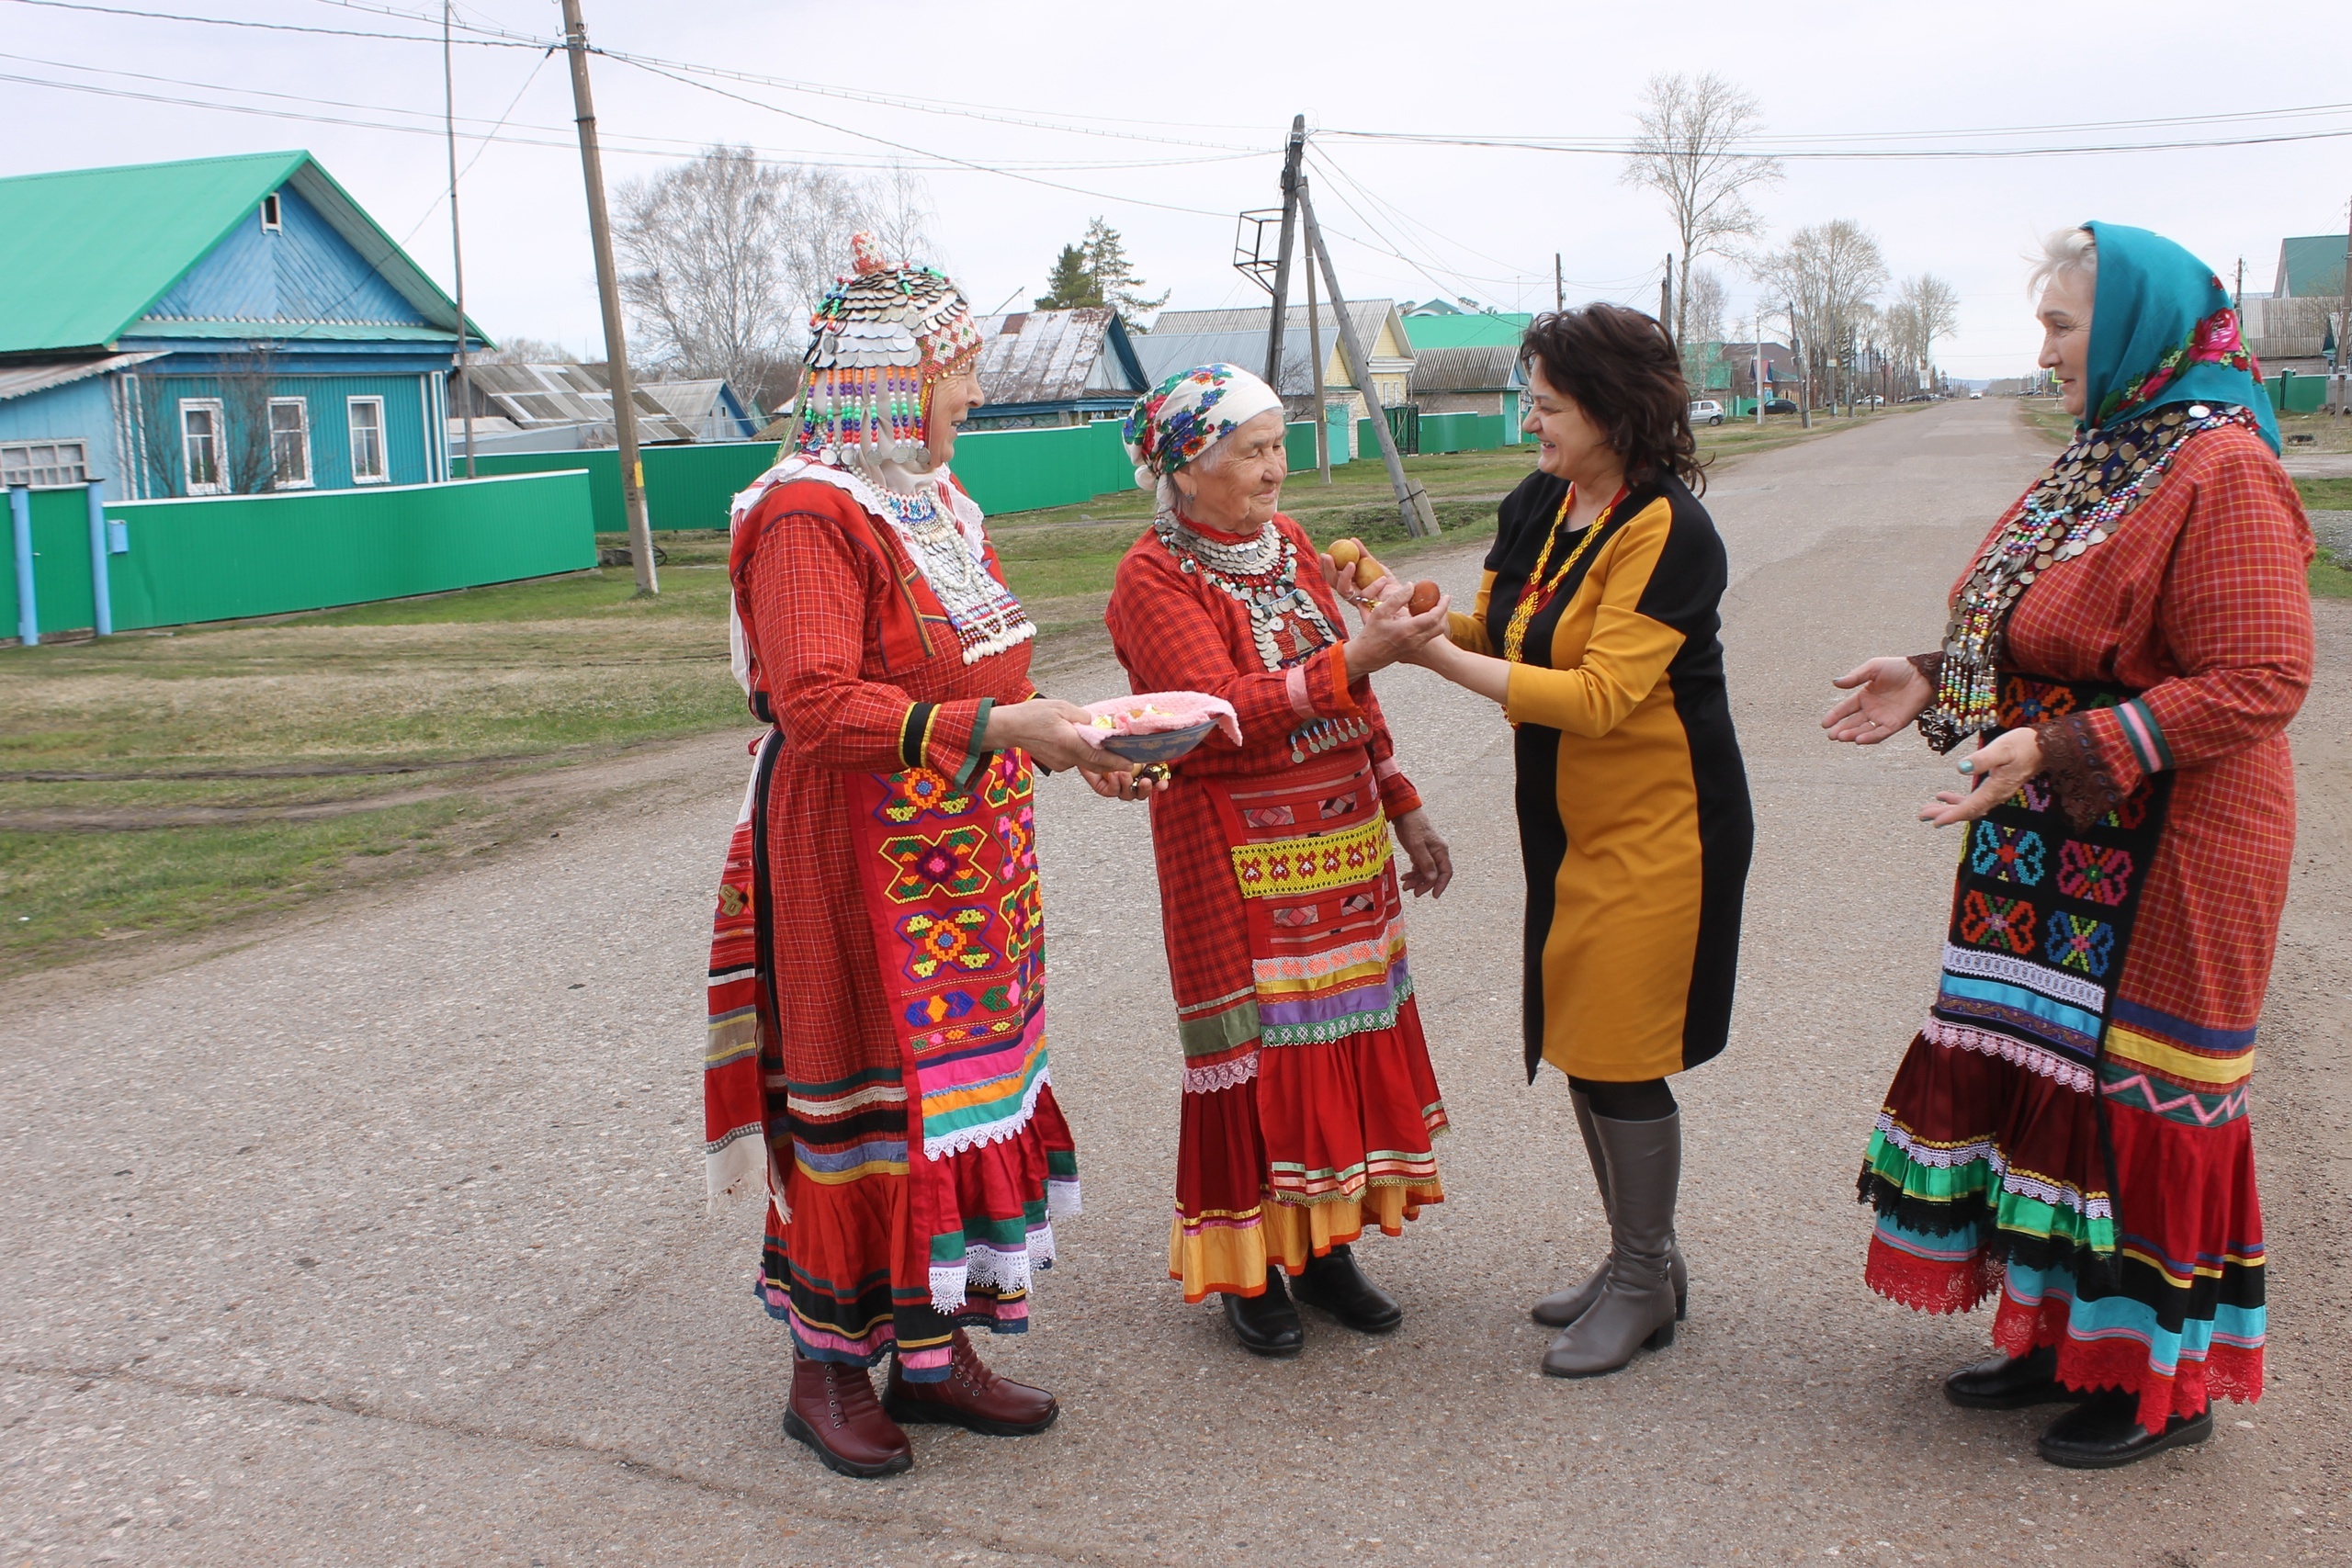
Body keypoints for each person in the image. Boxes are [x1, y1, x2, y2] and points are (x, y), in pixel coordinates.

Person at [1827, 223, 2312, 1469]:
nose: (2041, 351)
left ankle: (2159, 1377)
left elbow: (2263, 676)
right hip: (2056, 834)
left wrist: (2059, 749)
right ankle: (2054, 1336)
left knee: (2140, 1087)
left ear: (2141, 327)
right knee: (2051, 1071)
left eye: (2059, 327)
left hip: (2179, 844)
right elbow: (2051, 633)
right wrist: (1930, 677)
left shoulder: (2222, 469)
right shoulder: (2112, 454)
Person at [700, 232, 1129, 1480]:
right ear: (894, 375)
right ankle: (825, 1366)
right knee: (861, 1096)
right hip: (850, 850)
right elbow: (821, 703)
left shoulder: (934, 501)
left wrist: (1078, 741)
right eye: (960, 366)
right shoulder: (804, 514)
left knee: (960, 1091)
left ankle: (934, 1351)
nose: (976, 391)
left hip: (964, 847)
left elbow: (981, 666)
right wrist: (1003, 727)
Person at [1393, 304, 1752, 1379]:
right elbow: (1502, 633)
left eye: (1545, 405)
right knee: (1584, 1043)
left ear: (1607, 408)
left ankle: (1643, 1281)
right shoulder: (1544, 503)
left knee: (1618, 1050)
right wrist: (1410, 617)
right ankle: (1644, 1260)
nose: (1529, 422)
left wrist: (1431, 666)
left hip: (1664, 826)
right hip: (1572, 824)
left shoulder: (1667, 531)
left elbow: (1597, 698)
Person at [1102, 364, 1456, 1357]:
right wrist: (1353, 660)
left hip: (1339, 845)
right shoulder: (1151, 578)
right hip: (1231, 857)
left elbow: (1356, 693)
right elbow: (1212, 721)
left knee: (1334, 1038)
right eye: (1251, 451)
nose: (1275, 468)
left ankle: (1323, 1247)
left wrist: (1402, 801)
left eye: (1276, 443)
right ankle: (1249, 1264)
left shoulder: (1289, 543)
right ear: (1184, 466)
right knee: (1252, 1051)